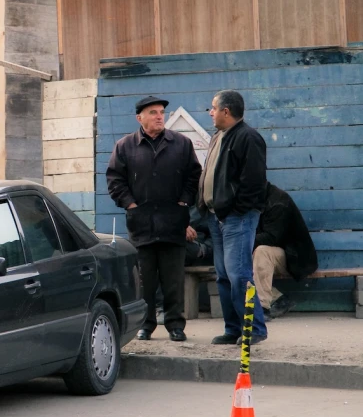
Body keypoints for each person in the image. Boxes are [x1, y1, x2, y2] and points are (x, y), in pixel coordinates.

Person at [106, 96, 202, 342]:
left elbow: (194, 177)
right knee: (144, 280)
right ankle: (145, 325)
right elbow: (115, 180)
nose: (160, 116)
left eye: (162, 112)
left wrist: (183, 202)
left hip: (173, 222)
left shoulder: (181, 144)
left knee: (173, 279)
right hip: (142, 224)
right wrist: (131, 204)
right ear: (140, 118)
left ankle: (175, 325)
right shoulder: (125, 146)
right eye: (153, 112)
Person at [199, 90, 269, 345]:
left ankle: (255, 329)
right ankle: (233, 329)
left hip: (236, 218)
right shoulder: (219, 136)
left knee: (239, 274)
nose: (211, 113)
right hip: (217, 218)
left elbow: (252, 184)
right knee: (224, 275)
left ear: (226, 111)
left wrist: (233, 211)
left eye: (213, 108)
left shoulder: (248, 138)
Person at [254, 182, 318, 319]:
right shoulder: (256, 198)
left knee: (261, 252)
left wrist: (241, 240)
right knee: (239, 258)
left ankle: (262, 308)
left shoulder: (278, 202)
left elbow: (271, 238)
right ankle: (278, 299)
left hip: (295, 257)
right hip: (279, 254)